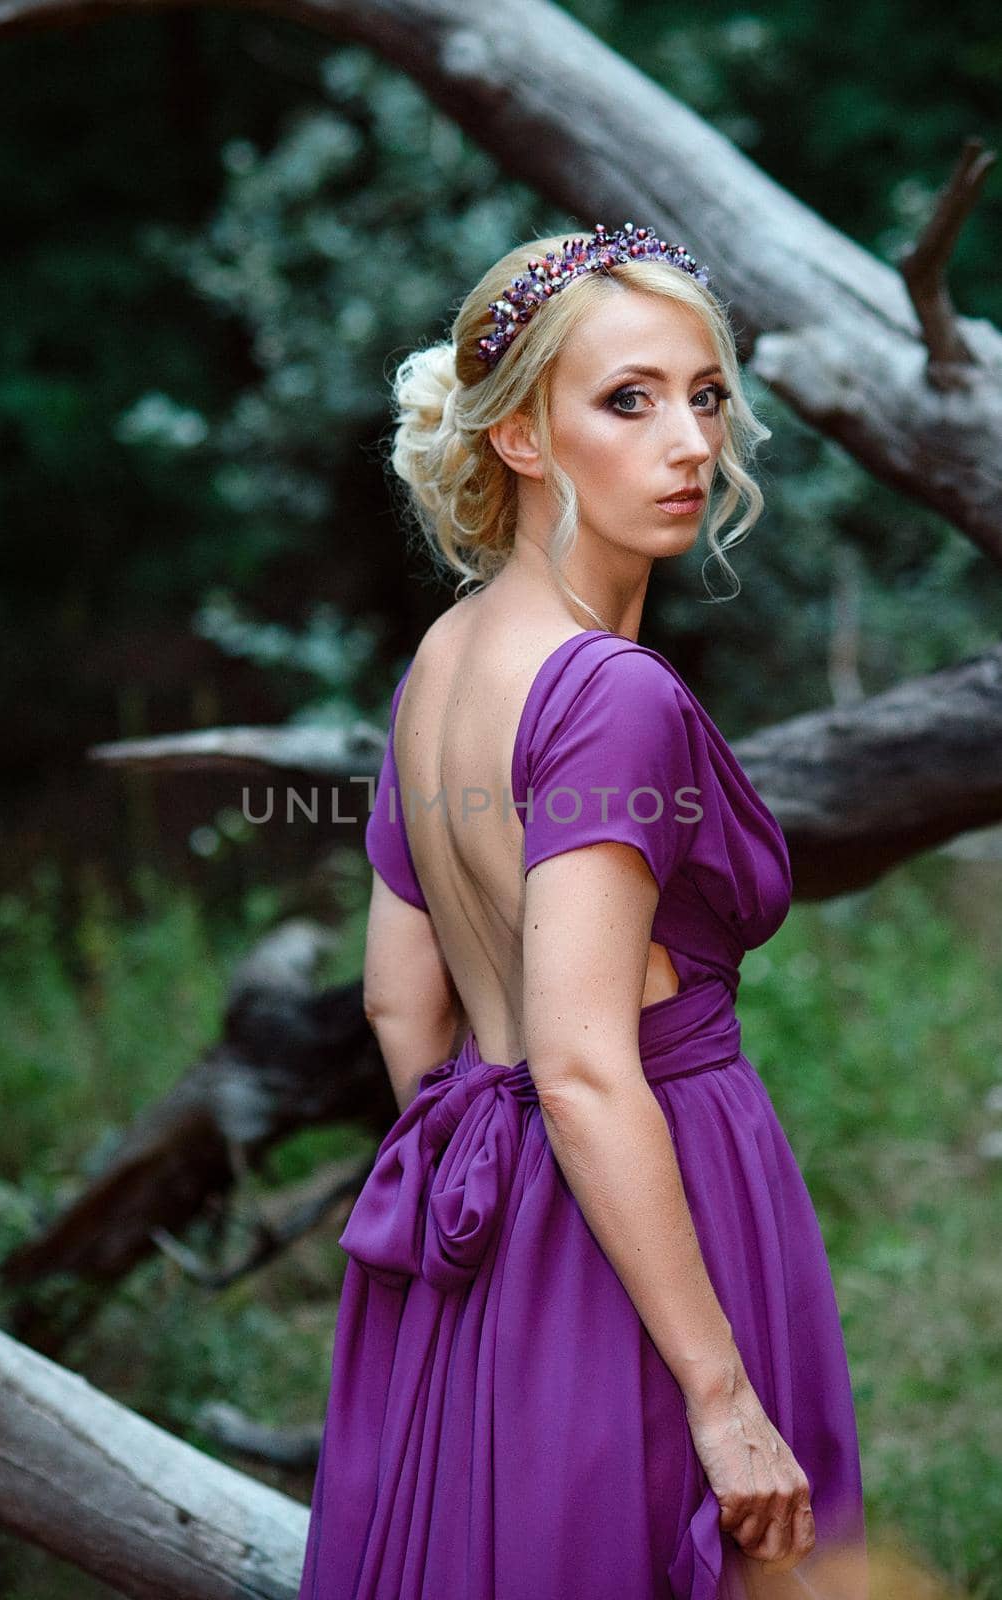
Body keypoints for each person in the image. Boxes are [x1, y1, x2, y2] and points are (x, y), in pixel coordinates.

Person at [299, 224, 867, 1600]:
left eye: (704, 394)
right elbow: (581, 1057)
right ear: (523, 441)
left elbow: (402, 1004)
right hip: (656, 1207)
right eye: (629, 400)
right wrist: (720, 1394)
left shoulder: (440, 660)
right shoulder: (610, 695)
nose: (689, 442)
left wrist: (500, 1216)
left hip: (501, 1230)